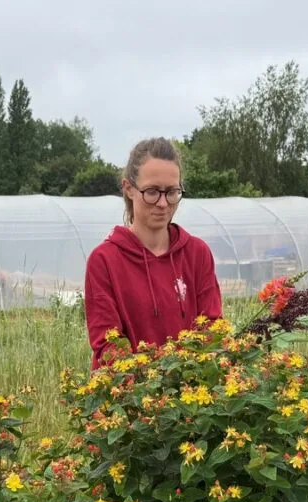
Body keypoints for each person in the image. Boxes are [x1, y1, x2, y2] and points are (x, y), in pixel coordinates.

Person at [84, 137, 222, 370]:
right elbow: (108, 345)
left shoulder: (197, 254)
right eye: (151, 192)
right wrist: (150, 389)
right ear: (129, 189)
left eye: (171, 192)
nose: (162, 203)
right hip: (132, 398)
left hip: (190, 399)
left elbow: (212, 330)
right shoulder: (105, 261)